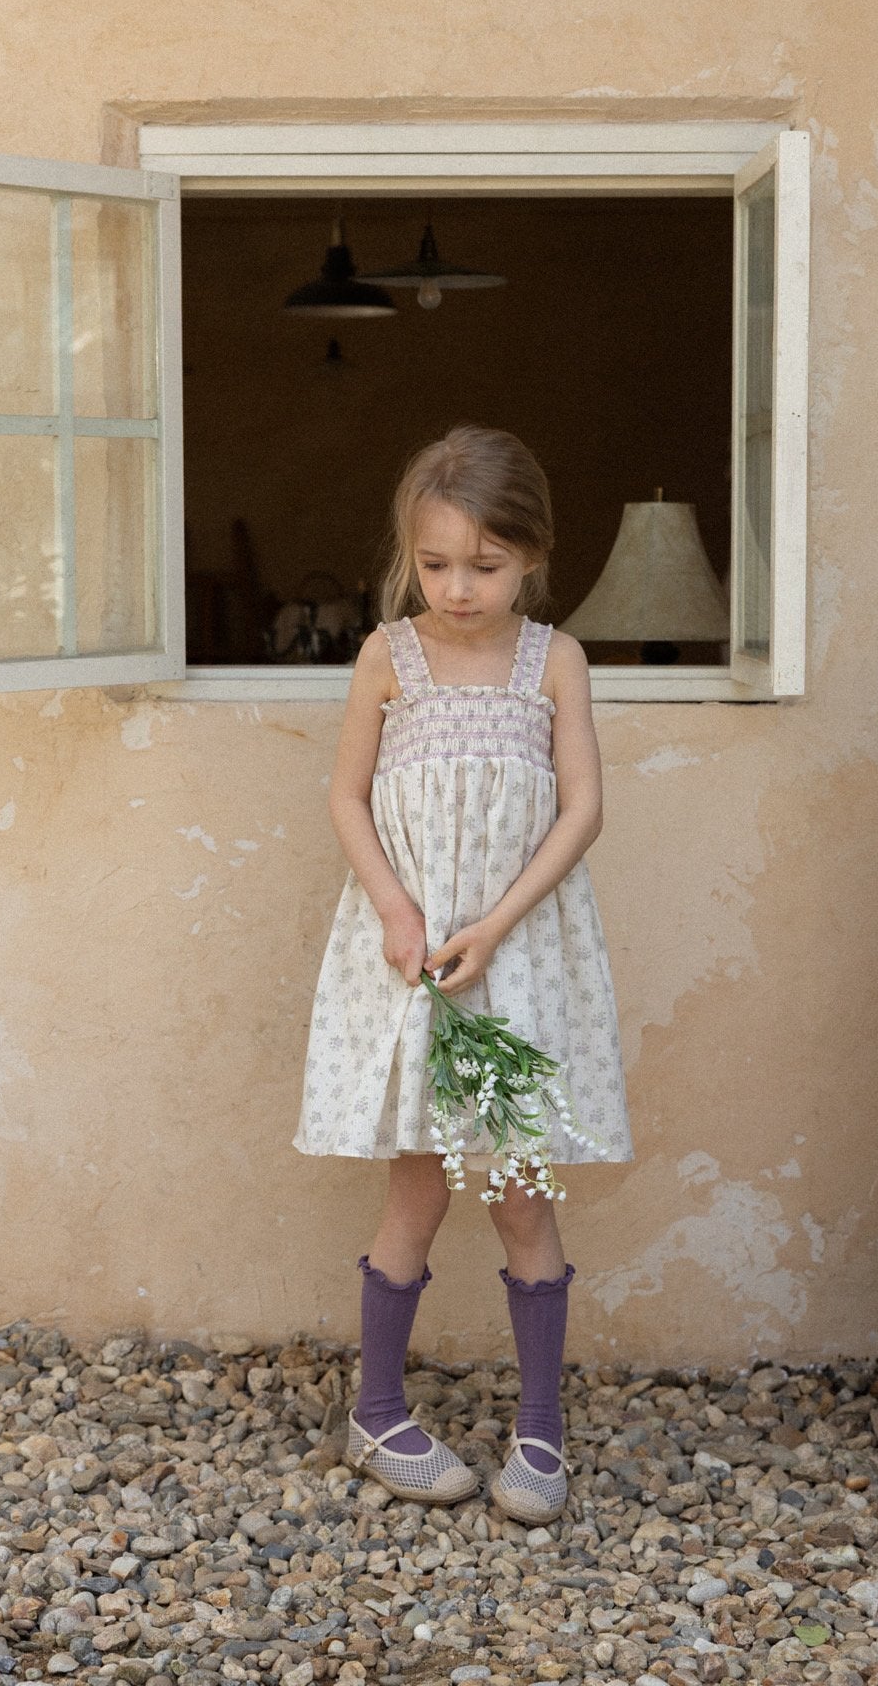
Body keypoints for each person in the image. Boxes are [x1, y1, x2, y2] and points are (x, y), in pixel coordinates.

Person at [295, 425, 634, 1523]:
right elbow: (347, 797)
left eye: (482, 567)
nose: (456, 587)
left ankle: (539, 1435)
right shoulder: (387, 659)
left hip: (516, 961)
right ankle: (377, 1411)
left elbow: (580, 808)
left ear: (530, 557)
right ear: (411, 553)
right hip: (412, 968)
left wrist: (495, 924)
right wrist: (398, 909)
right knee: (417, 1185)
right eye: (434, 563)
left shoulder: (556, 664)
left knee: (523, 1197)